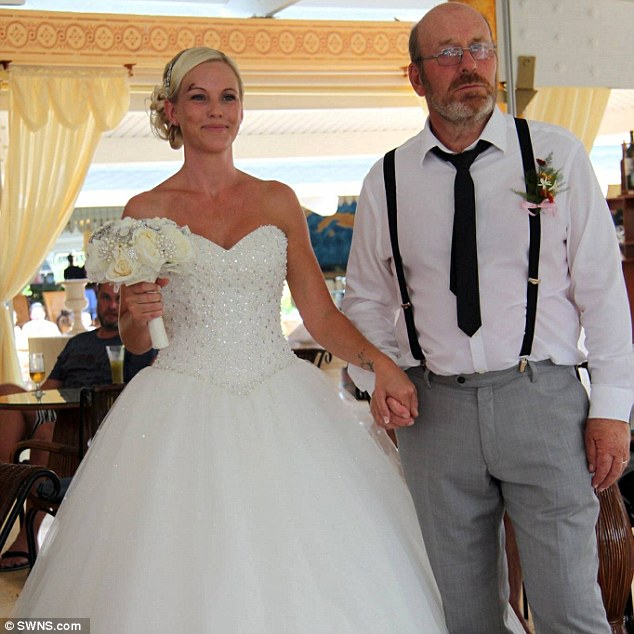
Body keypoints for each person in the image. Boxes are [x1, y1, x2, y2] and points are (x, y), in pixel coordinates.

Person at [12, 47, 450, 633]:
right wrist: (138, 313)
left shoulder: (277, 199)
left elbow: (319, 315)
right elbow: (140, 339)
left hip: (281, 398)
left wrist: (381, 365)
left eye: (228, 97)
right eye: (199, 97)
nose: (216, 111)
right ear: (172, 112)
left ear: (241, 111)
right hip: (180, 403)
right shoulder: (146, 209)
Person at [341, 4, 634, 634]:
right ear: (416, 77)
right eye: (446, 54)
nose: (467, 65)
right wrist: (384, 375)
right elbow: (364, 299)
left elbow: (603, 291)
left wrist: (612, 408)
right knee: (465, 617)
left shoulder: (555, 152)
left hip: (545, 400)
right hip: (434, 413)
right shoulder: (386, 180)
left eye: (479, 49)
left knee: (571, 614)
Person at [0, 283, 155, 572]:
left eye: (117, 299)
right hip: (60, 411)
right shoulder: (78, 342)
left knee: (48, 432)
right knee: (6, 391)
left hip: (97, 418)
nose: (111, 305)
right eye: (106, 298)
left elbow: (138, 391)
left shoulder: (136, 342)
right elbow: (47, 388)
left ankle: (25, 535)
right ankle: (5, 491)